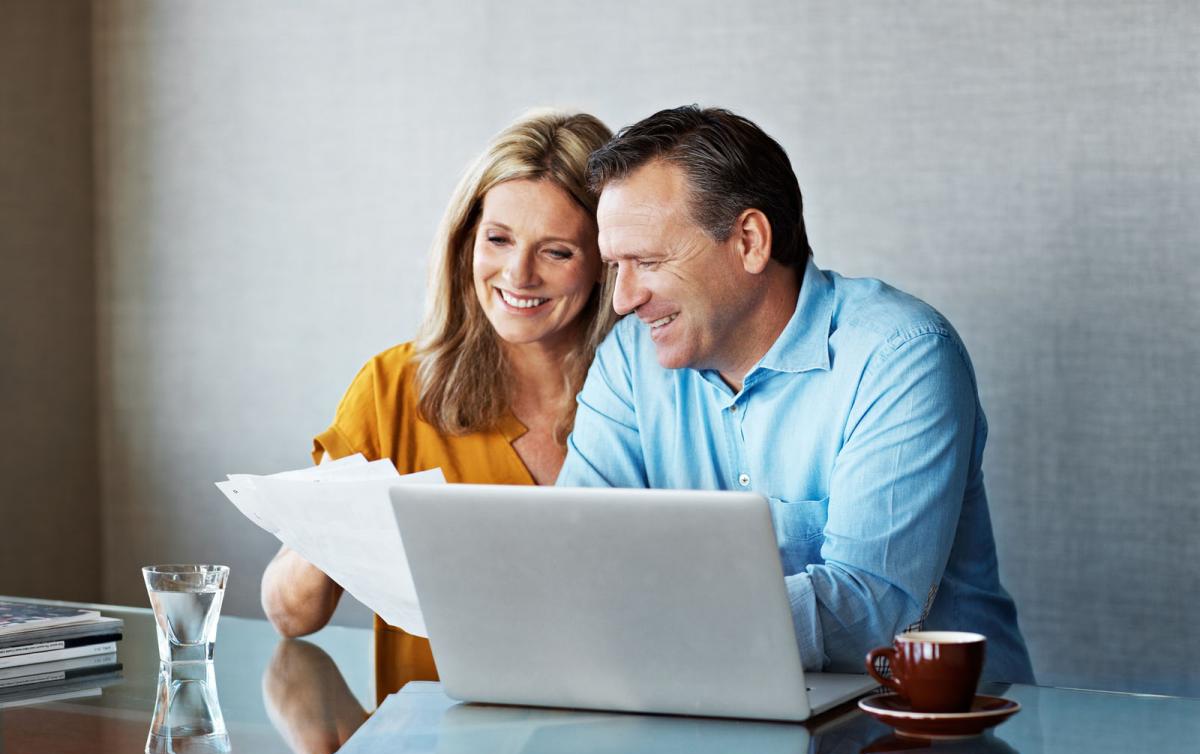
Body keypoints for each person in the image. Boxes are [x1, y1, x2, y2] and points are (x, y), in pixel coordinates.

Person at [558, 106, 1034, 683]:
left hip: (932, 741)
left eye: (649, 262)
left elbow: (869, 610)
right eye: (615, 267)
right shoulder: (630, 364)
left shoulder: (900, 354)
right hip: (724, 733)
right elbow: (580, 562)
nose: (623, 300)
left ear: (751, 241)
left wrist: (649, 619)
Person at [261, 110, 617, 699]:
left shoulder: (652, 399)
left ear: (606, 262)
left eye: (556, 252)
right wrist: (339, 510)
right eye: (498, 239)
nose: (518, 275)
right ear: (465, 242)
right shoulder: (394, 386)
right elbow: (292, 615)